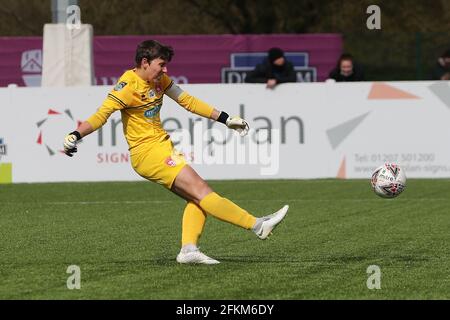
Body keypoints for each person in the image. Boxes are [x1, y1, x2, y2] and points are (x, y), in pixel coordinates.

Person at [63, 40, 289, 265]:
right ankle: (257, 225)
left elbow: (187, 101)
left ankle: (189, 250)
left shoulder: (159, 79)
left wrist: (225, 118)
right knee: (202, 191)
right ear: (144, 62)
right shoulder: (127, 86)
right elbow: (100, 116)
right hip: (148, 154)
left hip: (163, 148)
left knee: (199, 198)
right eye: (161, 64)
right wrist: (76, 134)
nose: (165, 70)